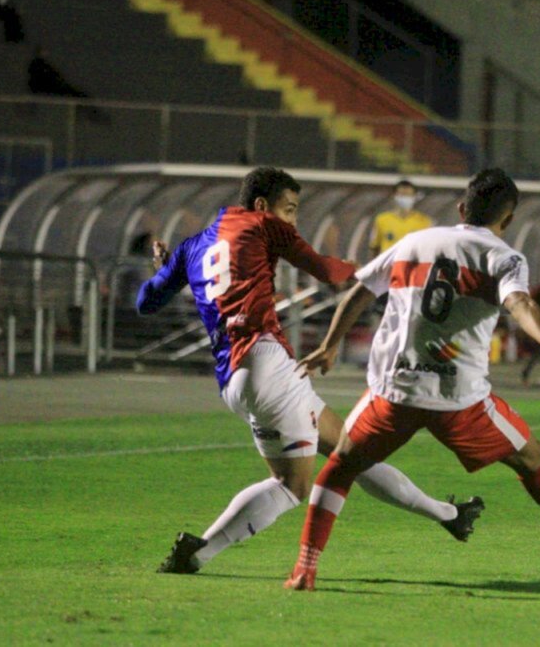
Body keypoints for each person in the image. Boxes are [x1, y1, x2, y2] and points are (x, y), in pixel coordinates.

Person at [285, 168, 540, 591]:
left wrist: (330, 345)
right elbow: (518, 303)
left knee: (340, 468)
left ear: (462, 208)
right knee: (532, 457)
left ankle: (304, 569)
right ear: (509, 219)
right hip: (459, 400)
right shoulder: (503, 258)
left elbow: (360, 291)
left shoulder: (414, 242)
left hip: (395, 391)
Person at [136, 166, 483, 575]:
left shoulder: (192, 245)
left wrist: (163, 267)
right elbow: (326, 270)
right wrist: (370, 270)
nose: (292, 221)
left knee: (352, 450)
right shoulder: (264, 224)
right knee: (292, 486)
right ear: (263, 205)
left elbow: (147, 302)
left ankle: (448, 514)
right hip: (265, 363)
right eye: (290, 209)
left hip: (235, 376)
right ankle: (198, 552)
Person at [368, 179, 432, 259]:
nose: (405, 198)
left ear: (414, 197)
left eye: (408, 195)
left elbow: (428, 249)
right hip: (389, 267)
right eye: (402, 194)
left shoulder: (424, 221)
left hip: (411, 266)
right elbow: (374, 247)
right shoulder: (382, 219)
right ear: (394, 196)